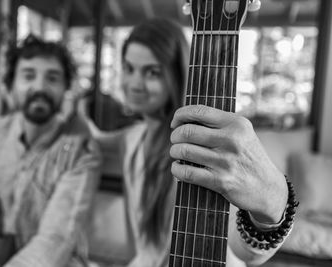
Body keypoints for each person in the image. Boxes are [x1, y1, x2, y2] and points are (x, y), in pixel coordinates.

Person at [86, 18, 294, 267]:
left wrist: (271, 204)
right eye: (129, 69)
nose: (135, 84)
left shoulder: (199, 141)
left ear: (176, 76)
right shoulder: (133, 138)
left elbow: (245, 251)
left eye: (152, 72)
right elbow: (95, 139)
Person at [0, 35, 102, 267]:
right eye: (28, 75)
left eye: (52, 78)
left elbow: (56, 239)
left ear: (66, 88)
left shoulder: (81, 149)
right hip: (1, 250)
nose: (40, 87)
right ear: (10, 85)